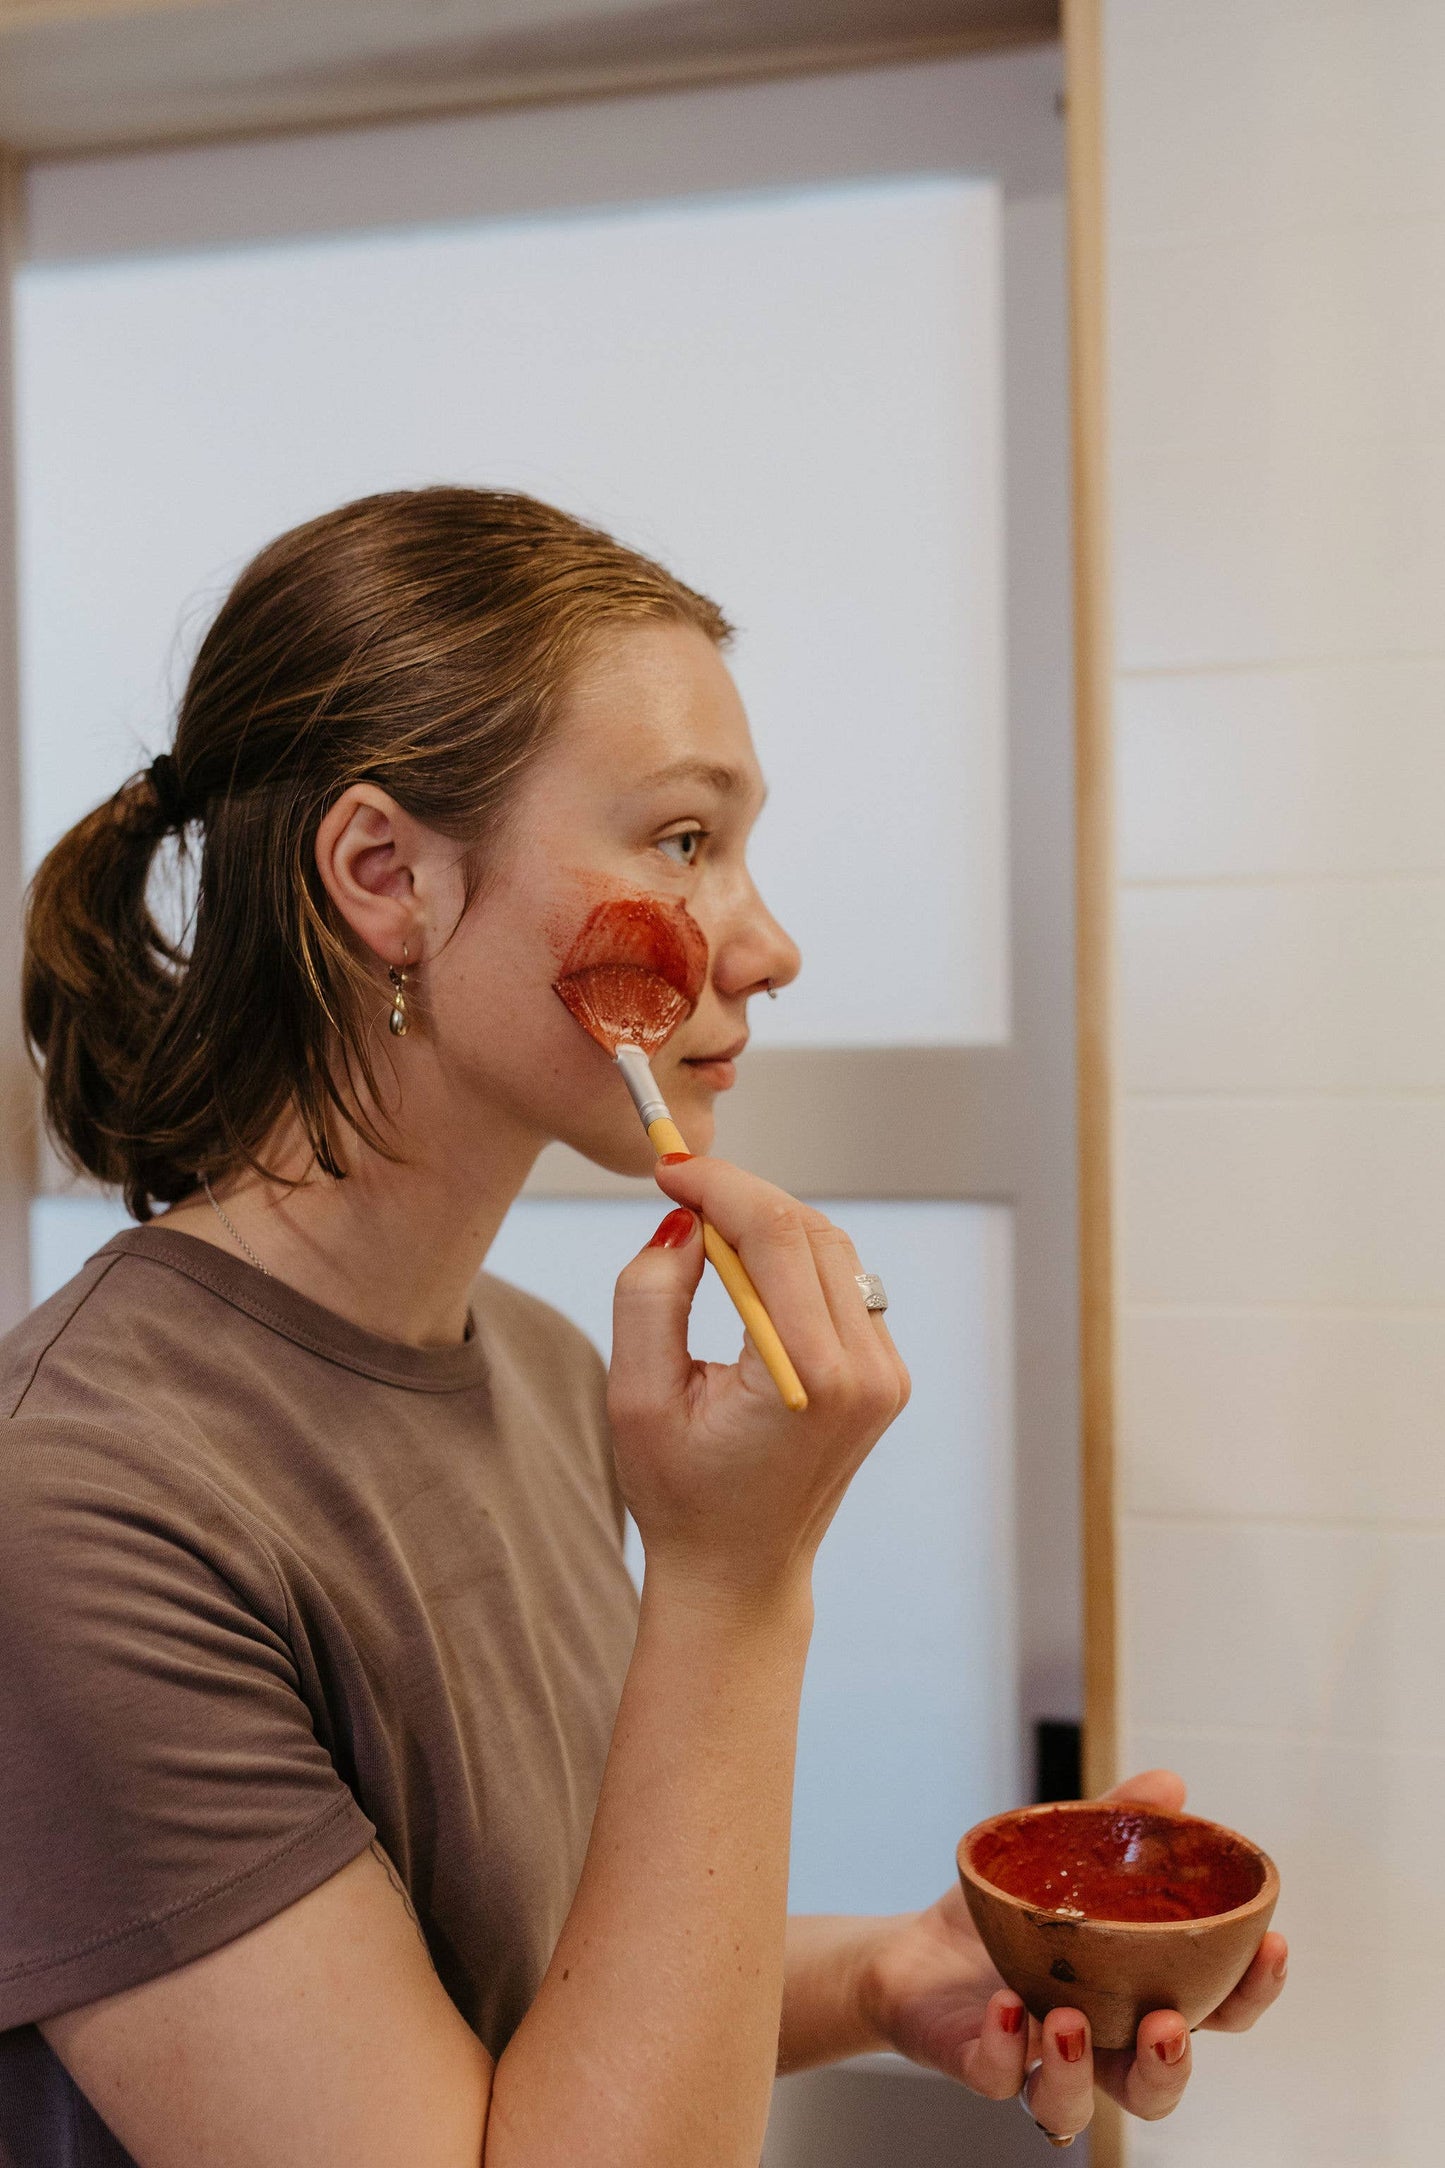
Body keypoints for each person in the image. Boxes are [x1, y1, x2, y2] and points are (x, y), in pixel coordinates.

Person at [0, 487, 1284, 2166]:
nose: (770, 945)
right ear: (383, 874)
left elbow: (525, 2021)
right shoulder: (81, 1508)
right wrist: (737, 1588)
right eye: (687, 842)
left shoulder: (535, 1367)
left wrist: (880, 1976)